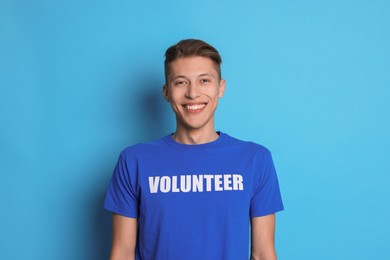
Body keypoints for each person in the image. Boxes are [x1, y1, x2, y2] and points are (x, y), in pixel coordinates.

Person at [104, 39, 284, 260]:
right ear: (166, 91)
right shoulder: (133, 162)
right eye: (181, 82)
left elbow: (263, 254)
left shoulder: (255, 160)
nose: (193, 93)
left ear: (221, 88)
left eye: (204, 80)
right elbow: (122, 253)